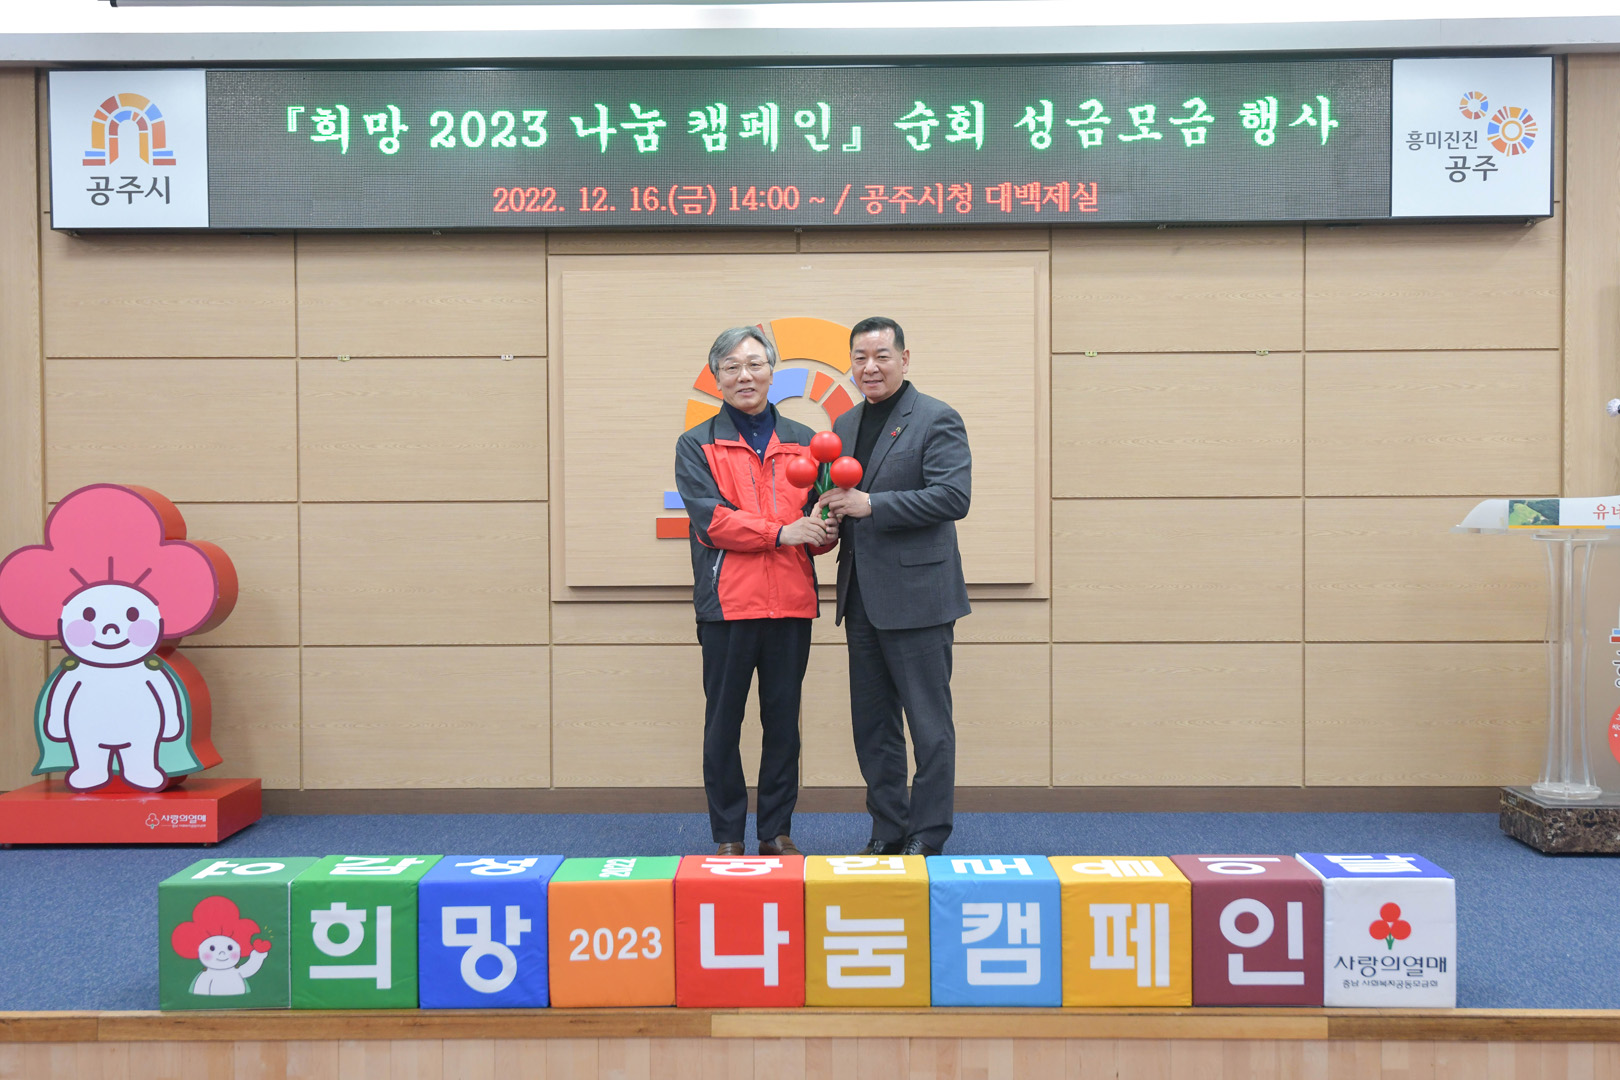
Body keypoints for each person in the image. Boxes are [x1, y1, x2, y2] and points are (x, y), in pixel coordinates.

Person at [675, 326, 837, 857]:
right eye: (732, 367)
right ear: (717, 378)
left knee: (783, 723)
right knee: (723, 724)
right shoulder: (696, 444)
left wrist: (824, 531)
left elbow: (814, 520)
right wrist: (781, 532)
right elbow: (712, 521)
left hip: (791, 602)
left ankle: (775, 831)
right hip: (728, 605)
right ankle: (727, 834)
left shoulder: (804, 440)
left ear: (772, 371)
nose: (744, 376)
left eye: (754, 365)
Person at [817, 316, 971, 857]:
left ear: (904, 359)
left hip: (920, 597)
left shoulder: (935, 417)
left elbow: (953, 496)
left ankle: (927, 833)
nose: (870, 367)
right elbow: (840, 497)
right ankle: (887, 828)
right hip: (861, 597)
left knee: (929, 725)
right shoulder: (844, 423)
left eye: (881, 355)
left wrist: (872, 505)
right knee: (873, 726)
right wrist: (830, 519)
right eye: (860, 357)